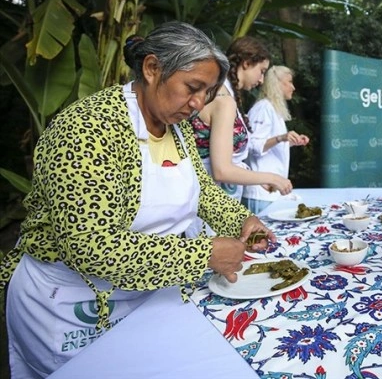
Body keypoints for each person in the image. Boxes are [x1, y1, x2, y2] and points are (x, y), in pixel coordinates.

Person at [0, 22, 275, 378]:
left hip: (142, 291)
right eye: (192, 88)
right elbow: (91, 246)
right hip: (68, 305)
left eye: (207, 94)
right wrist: (205, 253)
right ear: (151, 68)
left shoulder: (177, 128)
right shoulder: (87, 130)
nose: (197, 104)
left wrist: (241, 221)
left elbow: (201, 190)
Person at [187, 37, 292, 236]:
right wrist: (272, 177)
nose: (261, 80)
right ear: (246, 63)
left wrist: (255, 178)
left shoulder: (225, 94)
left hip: (217, 203)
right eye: (261, 71)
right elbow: (222, 170)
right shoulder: (222, 99)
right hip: (210, 208)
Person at [242, 65, 309, 213]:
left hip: (270, 193)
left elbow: (268, 144)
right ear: (277, 83)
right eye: (289, 82)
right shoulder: (263, 108)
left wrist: (289, 142)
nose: (293, 87)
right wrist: (281, 138)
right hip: (260, 193)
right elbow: (253, 145)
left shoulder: (273, 109)